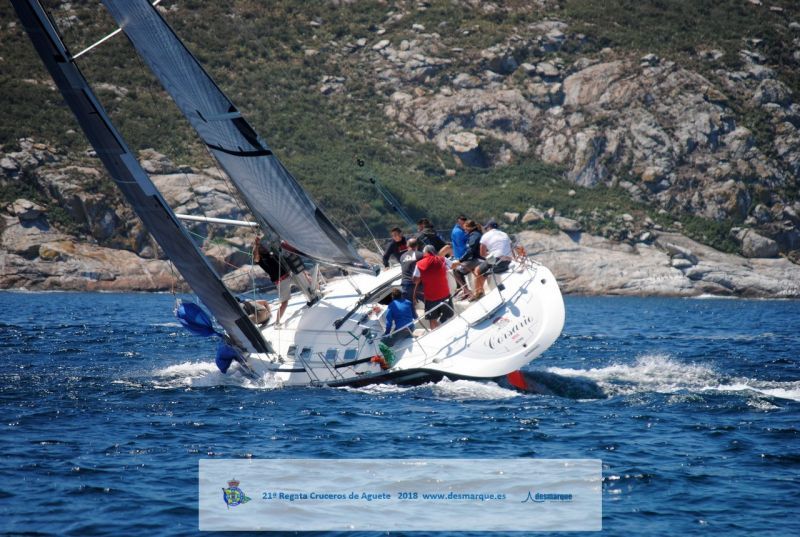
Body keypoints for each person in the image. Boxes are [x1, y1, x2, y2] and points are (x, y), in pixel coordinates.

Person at [253, 237, 293, 324]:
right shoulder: (261, 259)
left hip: (290, 274)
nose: (263, 247)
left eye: (262, 246)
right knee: (284, 303)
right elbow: (255, 258)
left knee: (305, 275)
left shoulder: (271, 253)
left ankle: (317, 290)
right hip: (281, 281)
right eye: (260, 247)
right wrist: (256, 245)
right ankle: (277, 322)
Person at [412, 245, 454, 329]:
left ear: (425, 252)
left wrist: (422, 276)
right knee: (449, 314)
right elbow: (452, 265)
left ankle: (437, 331)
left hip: (431, 298)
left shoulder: (419, 264)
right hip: (444, 294)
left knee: (432, 319)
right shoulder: (442, 259)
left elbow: (414, 280)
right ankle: (443, 324)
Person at [472, 219, 513, 301]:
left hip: (497, 260)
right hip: (508, 261)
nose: (486, 229)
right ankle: (481, 290)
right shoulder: (505, 234)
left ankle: (478, 293)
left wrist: (490, 254)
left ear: (489, 227)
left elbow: (482, 254)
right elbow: (510, 248)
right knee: (485, 270)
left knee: (477, 270)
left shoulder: (485, 236)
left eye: (486, 228)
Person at [451, 219, 483, 299]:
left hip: (478, 259)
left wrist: (460, 261)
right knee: (458, 269)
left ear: (469, 228)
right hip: (478, 258)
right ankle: (465, 291)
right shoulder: (476, 234)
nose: (464, 230)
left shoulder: (474, 236)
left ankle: (467, 292)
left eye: (465, 228)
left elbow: (470, 251)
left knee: (456, 271)